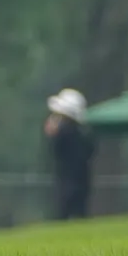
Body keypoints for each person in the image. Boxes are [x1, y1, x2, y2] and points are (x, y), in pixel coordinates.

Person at [44, 87, 94, 220]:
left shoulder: (65, 133)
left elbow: (56, 151)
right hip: (82, 181)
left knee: (63, 215)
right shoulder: (83, 133)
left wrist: (53, 135)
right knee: (79, 215)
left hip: (67, 182)